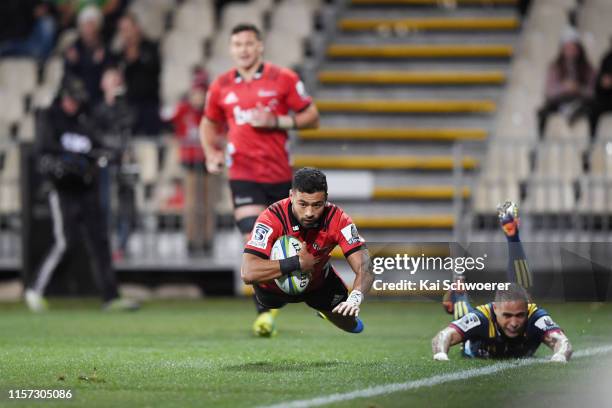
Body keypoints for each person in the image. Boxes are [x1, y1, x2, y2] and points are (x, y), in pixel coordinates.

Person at [200, 23, 320, 336]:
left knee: (296, 246)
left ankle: (317, 295)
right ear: (230, 48)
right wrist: (210, 153)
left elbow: (312, 117)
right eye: (237, 44)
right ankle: (265, 314)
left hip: (280, 176)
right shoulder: (222, 85)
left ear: (260, 46)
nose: (243, 49)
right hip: (243, 175)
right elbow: (208, 123)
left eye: (249, 44)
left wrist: (277, 120)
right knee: (254, 241)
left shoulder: (283, 78)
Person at [24, 77, 138, 312]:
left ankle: (110, 296)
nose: (73, 104)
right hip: (62, 189)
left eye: (76, 99)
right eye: (70, 99)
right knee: (65, 241)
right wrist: (61, 164)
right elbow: (43, 153)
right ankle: (35, 289)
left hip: (86, 187)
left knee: (100, 240)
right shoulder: (50, 118)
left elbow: (99, 147)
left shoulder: (85, 120)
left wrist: (100, 156)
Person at [241, 167, 375, 336]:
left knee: (350, 325)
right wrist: (297, 263)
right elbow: (247, 272)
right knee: (269, 301)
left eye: (317, 205)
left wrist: (355, 298)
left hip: (318, 285)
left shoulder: (339, 219)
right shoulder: (271, 218)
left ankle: (326, 312)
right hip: (272, 289)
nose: (309, 213)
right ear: (291, 196)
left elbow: (366, 268)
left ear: (326, 200)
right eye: (302, 204)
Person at [433, 202, 572, 362]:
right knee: (464, 312)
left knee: (521, 290)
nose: (514, 323)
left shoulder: (536, 317)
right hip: (475, 345)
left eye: (520, 315)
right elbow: (444, 335)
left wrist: (560, 354)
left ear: (527, 310)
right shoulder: (482, 318)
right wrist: (440, 353)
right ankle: (458, 294)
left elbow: (563, 342)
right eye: (507, 315)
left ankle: (512, 236)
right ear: (495, 309)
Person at [165, 68, 215, 254]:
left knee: (208, 204)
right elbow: (168, 122)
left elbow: (222, 132)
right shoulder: (183, 110)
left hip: (209, 163)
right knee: (192, 204)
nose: (198, 96)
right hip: (189, 163)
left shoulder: (213, 112)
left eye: (201, 92)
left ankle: (208, 241)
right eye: (196, 92)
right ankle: (191, 241)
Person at [91, 65, 136, 260]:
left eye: (117, 80)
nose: (114, 84)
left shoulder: (126, 108)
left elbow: (127, 128)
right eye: (111, 80)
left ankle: (121, 246)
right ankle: (104, 245)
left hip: (121, 165)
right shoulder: (97, 110)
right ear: (103, 84)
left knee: (124, 207)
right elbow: (95, 135)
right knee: (104, 206)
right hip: (104, 165)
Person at [537, 29, 595, 138]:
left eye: (573, 47)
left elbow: (592, 92)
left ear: (579, 49)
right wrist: (564, 87)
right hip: (560, 101)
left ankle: (590, 147)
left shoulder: (587, 68)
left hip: (581, 101)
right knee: (542, 113)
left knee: (593, 111)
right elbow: (549, 92)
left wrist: (578, 88)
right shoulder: (554, 67)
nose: (570, 51)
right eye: (567, 47)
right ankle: (539, 145)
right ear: (562, 49)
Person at [115, 13, 161, 135]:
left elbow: (153, 70)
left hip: (149, 107)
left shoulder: (152, 48)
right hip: (128, 108)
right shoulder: (119, 56)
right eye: (122, 30)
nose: (126, 33)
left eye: (128, 28)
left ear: (137, 28)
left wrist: (136, 57)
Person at [63, 5, 112, 104]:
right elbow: (68, 75)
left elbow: (105, 76)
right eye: (85, 25)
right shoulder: (74, 47)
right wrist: (72, 63)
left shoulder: (104, 47)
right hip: (76, 96)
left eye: (91, 25)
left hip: (97, 97)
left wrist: (96, 64)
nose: (88, 29)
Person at [588, 37, 612, 140]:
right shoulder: (607, 59)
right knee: (592, 109)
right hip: (607, 98)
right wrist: (603, 83)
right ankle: (591, 142)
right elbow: (599, 84)